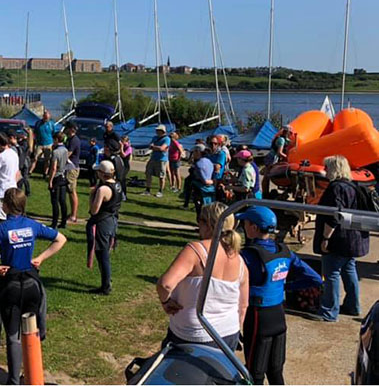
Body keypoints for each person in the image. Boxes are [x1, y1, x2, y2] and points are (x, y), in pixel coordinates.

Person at [0, 188, 67, 385]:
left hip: (10, 287)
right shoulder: (32, 225)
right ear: (23, 206)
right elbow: (61, 239)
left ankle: (13, 381)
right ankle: (34, 377)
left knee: (13, 337)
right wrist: (39, 258)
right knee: (32, 333)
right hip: (32, 286)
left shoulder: (1, 229)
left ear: (5, 206)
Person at [238, 206, 322, 385]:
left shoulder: (247, 255)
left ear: (253, 227)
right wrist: (286, 287)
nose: (243, 226)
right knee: (276, 372)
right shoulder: (285, 252)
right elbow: (315, 278)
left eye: (245, 223)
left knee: (255, 374)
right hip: (278, 316)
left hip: (258, 317)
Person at [157, 202, 248, 351]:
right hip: (228, 334)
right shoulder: (239, 260)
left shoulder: (195, 251)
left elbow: (165, 284)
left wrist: (165, 301)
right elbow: (243, 305)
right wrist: (234, 329)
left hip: (192, 335)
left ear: (207, 224)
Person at [311, 155, 369, 321]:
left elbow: (333, 216)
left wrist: (325, 238)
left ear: (333, 169)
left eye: (327, 167)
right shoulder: (353, 185)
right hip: (353, 238)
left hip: (338, 239)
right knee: (349, 270)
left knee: (332, 274)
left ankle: (329, 311)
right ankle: (353, 305)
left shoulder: (335, 188)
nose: (325, 170)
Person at [86, 160, 122, 295]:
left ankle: (105, 286)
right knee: (105, 252)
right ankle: (106, 282)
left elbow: (94, 210)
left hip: (101, 222)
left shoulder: (103, 189)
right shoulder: (117, 184)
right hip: (112, 220)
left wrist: (91, 195)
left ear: (102, 174)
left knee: (102, 254)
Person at [0, 132, 21, 220]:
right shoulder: (14, 153)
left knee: (2, 216)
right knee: (11, 214)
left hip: (2, 188)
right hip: (12, 186)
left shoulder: (1, 156)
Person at [143, 124, 171, 198]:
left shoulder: (167, 139)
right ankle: (147, 190)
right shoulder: (155, 138)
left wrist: (154, 147)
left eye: (158, 130)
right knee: (148, 173)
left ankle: (160, 191)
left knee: (161, 176)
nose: (156, 131)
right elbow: (150, 145)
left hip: (162, 159)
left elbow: (162, 148)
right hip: (153, 158)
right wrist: (156, 148)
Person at [188, 144, 216, 218]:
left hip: (200, 188)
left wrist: (211, 181)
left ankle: (201, 223)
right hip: (210, 188)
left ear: (198, 152)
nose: (193, 154)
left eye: (194, 152)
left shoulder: (199, 164)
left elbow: (205, 181)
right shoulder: (209, 161)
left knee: (200, 207)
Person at [48, 132, 69, 229]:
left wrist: (50, 181)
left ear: (56, 139)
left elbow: (53, 168)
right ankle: (64, 221)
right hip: (63, 176)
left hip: (57, 176)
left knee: (55, 201)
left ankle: (54, 222)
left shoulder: (56, 152)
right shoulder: (65, 150)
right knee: (62, 200)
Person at [29, 110, 55, 177]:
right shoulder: (38, 123)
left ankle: (45, 173)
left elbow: (53, 133)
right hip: (40, 144)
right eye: (45, 117)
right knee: (35, 158)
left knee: (47, 159)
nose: (46, 119)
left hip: (48, 144)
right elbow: (35, 132)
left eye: (47, 118)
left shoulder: (51, 124)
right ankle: (30, 171)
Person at [65, 123, 81, 223]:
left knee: (72, 191)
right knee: (70, 191)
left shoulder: (74, 140)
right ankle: (72, 213)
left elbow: (68, 154)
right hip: (70, 167)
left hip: (72, 168)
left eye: (67, 128)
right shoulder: (70, 139)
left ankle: (74, 215)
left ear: (71, 129)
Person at [17, 130, 32, 196]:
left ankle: (27, 191)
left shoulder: (24, 143)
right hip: (21, 162)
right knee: (21, 177)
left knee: (24, 177)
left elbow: (23, 149)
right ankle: (20, 190)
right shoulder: (19, 142)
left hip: (24, 162)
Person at [120, 135, 133, 200]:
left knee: (122, 179)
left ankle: (124, 194)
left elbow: (124, 155)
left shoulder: (129, 148)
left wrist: (121, 148)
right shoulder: (121, 147)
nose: (122, 142)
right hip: (120, 165)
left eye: (123, 141)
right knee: (119, 179)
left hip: (125, 166)